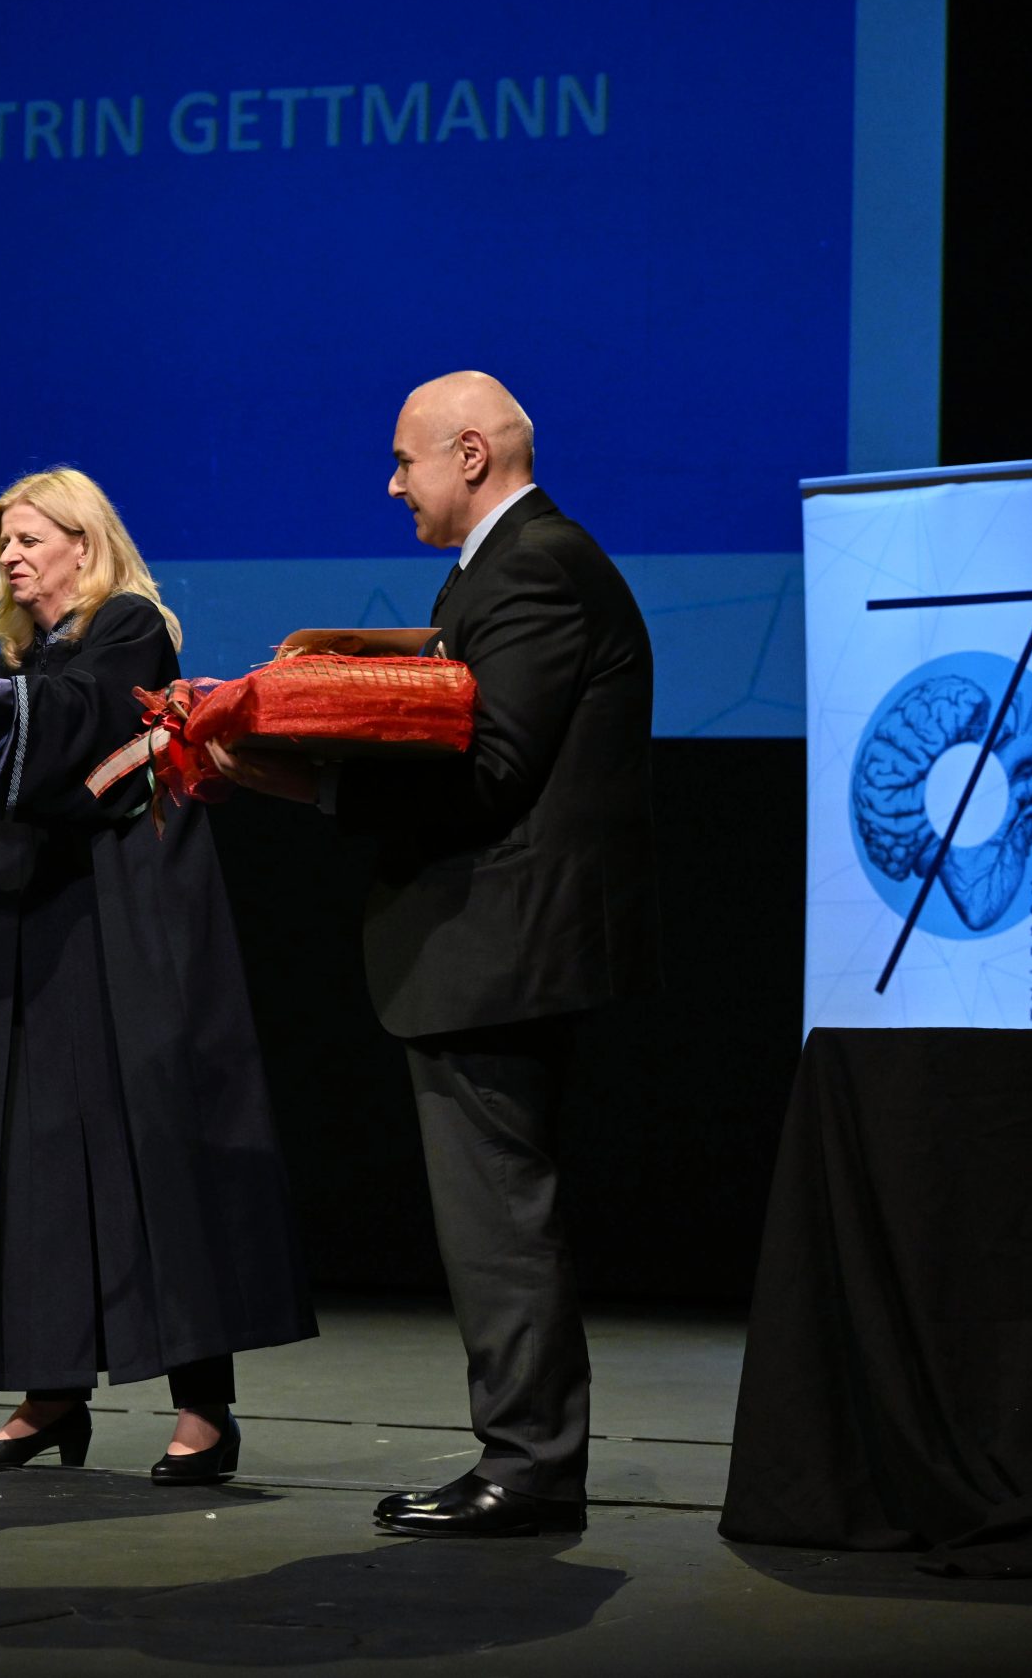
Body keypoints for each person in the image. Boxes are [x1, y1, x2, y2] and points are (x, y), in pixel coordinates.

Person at [211, 372, 655, 1536]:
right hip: (489, 943)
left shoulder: (533, 567)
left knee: (498, 1216)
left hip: (502, 945)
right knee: (494, 1213)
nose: (391, 483)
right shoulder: (498, 571)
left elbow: (490, 772)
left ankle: (531, 1466)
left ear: (469, 454)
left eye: (404, 460)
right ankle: (526, 1455)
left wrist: (305, 777)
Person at [0, 467, 315, 1484]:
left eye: (30, 538)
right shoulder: (21, 662)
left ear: (84, 544)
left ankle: (204, 1407)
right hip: (43, 915)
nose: (11, 558)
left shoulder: (129, 628)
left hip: (134, 908)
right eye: (2, 545)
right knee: (42, 1147)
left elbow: (81, 719)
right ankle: (51, 1392)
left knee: (160, 1138)